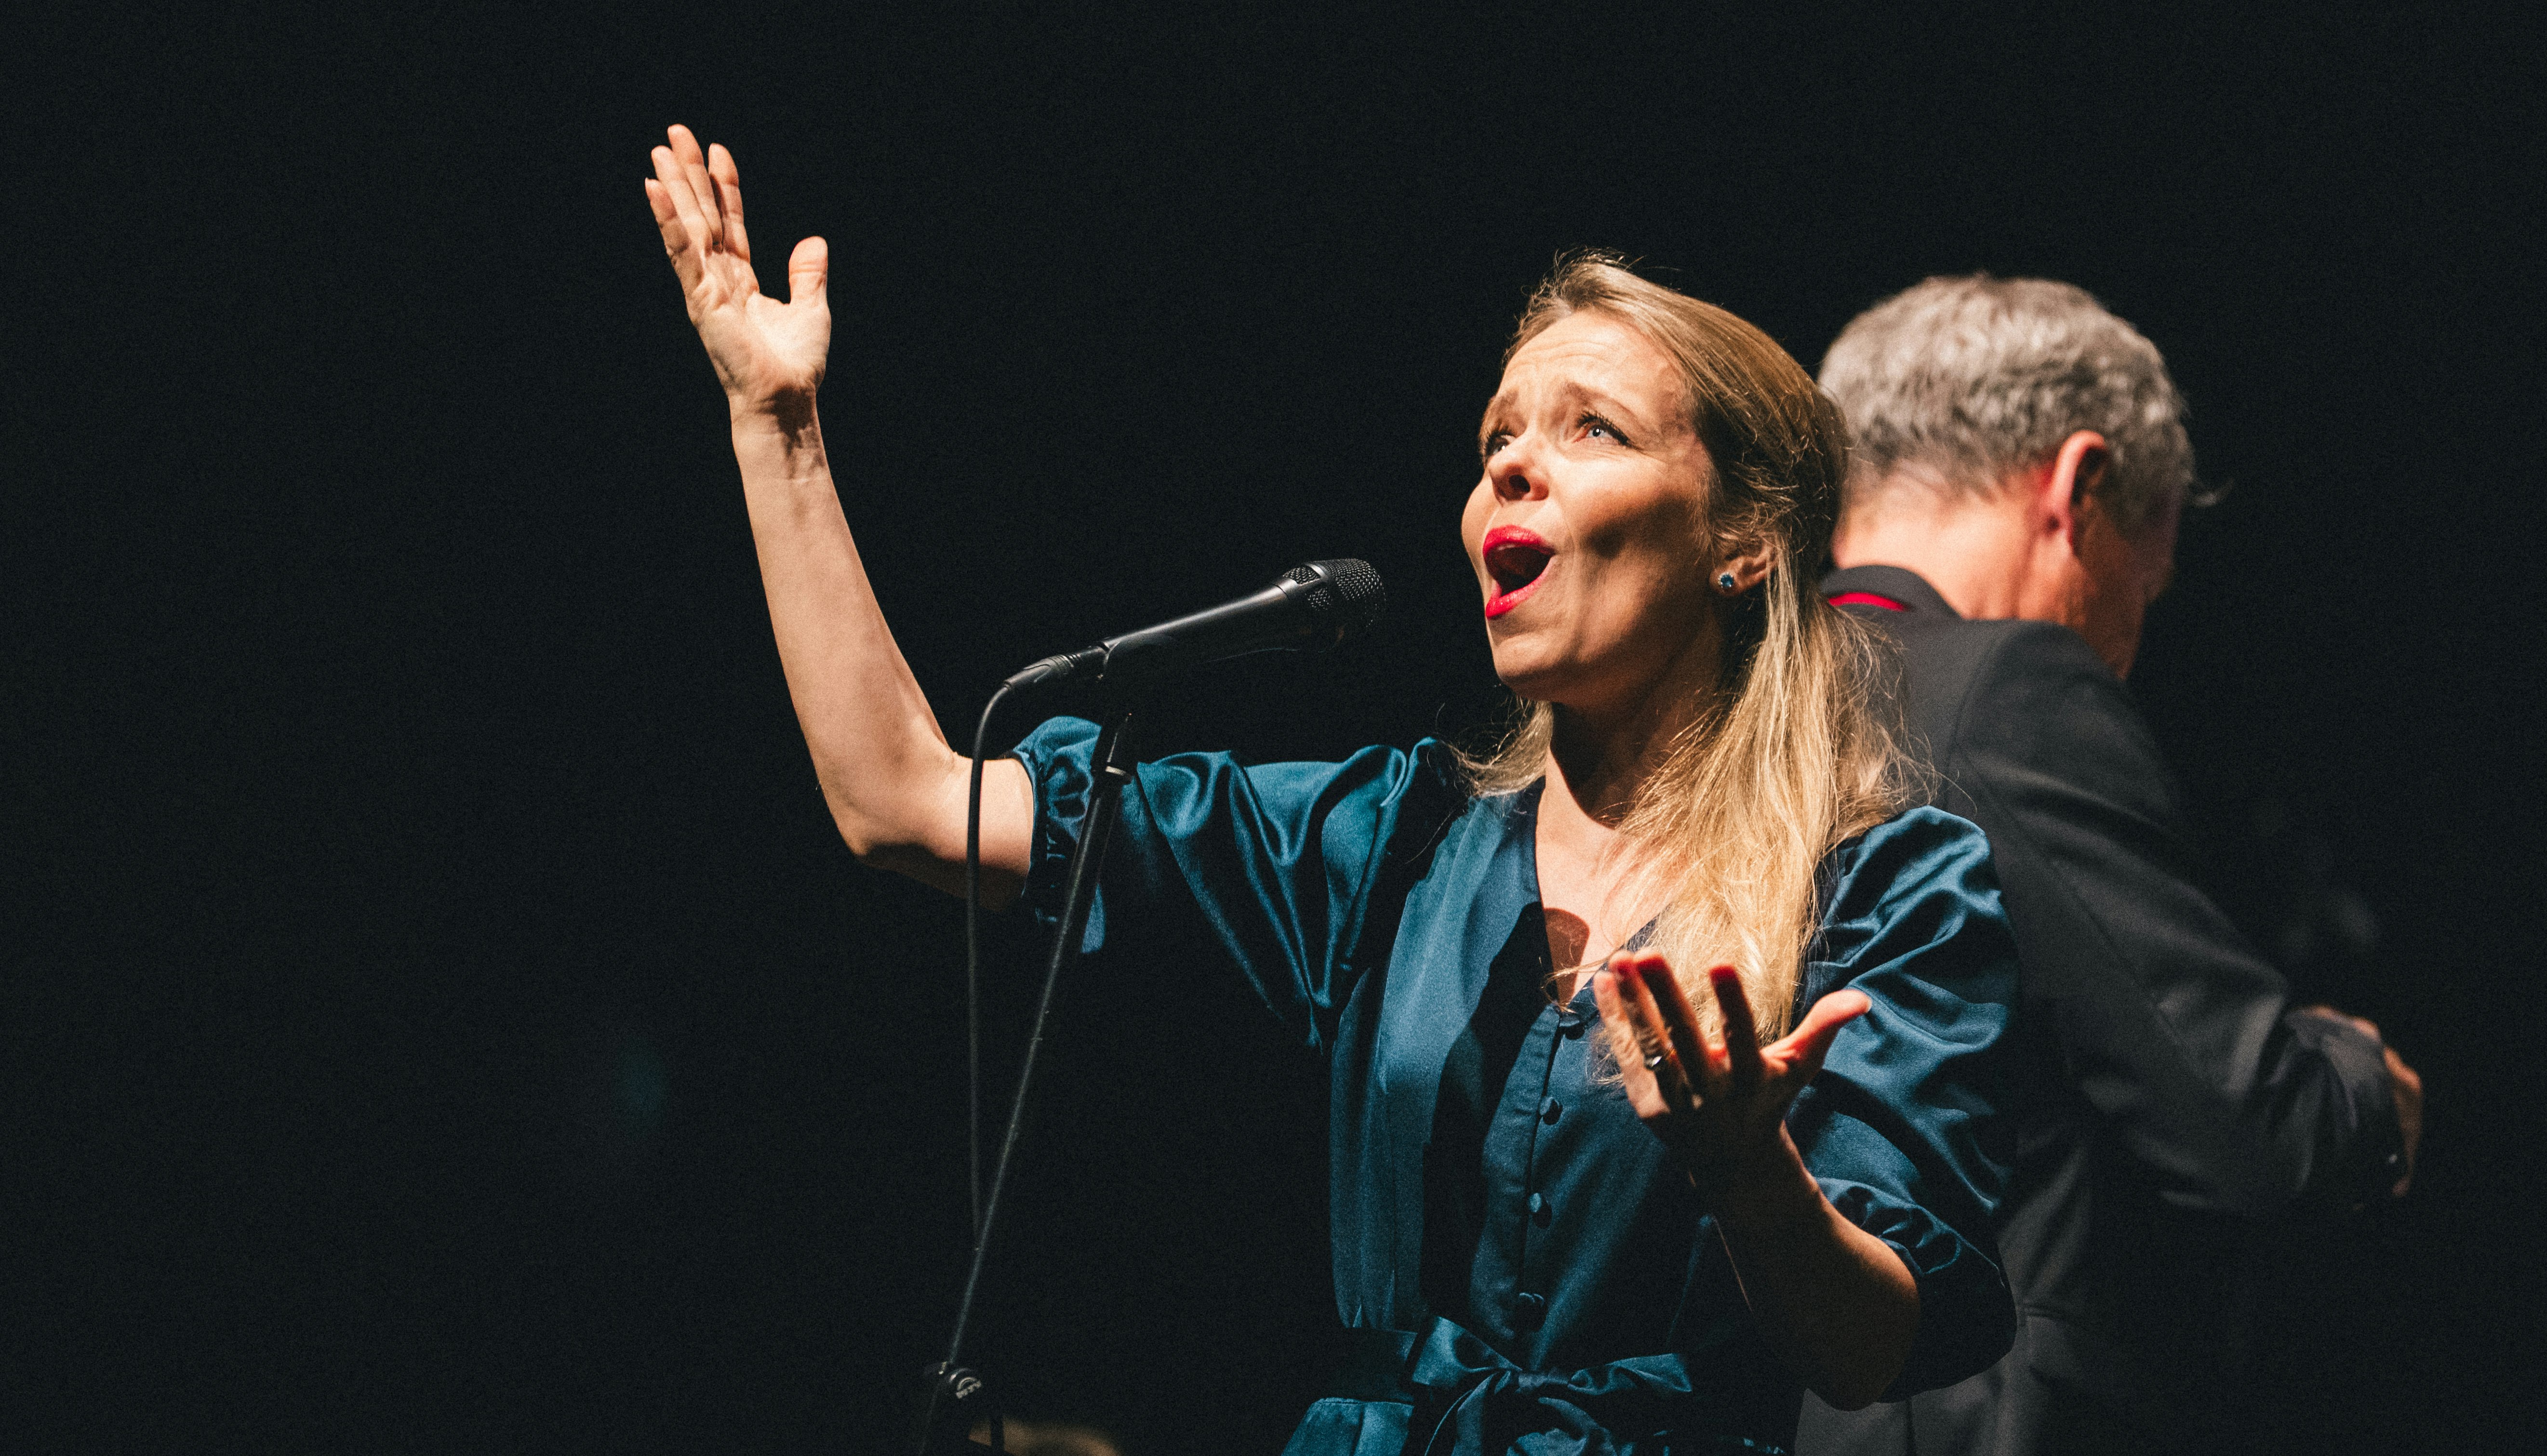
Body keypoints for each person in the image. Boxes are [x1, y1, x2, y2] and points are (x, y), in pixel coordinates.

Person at [642, 123, 2023, 1455]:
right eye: (1495, 436)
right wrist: (778, 426)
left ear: (1743, 540)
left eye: (1592, 428)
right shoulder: (1389, 843)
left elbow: (1868, 1347)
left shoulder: (1884, 887)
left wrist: (1749, 1174)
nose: (1509, 463)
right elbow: (904, 801)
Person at [1796, 277, 2425, 1456]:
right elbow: (2249, 1131)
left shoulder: (1715, 700)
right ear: (2076, 490)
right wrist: (2358, 1078)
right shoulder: (2006, 690)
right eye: (2143, 584)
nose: (2126, 649)